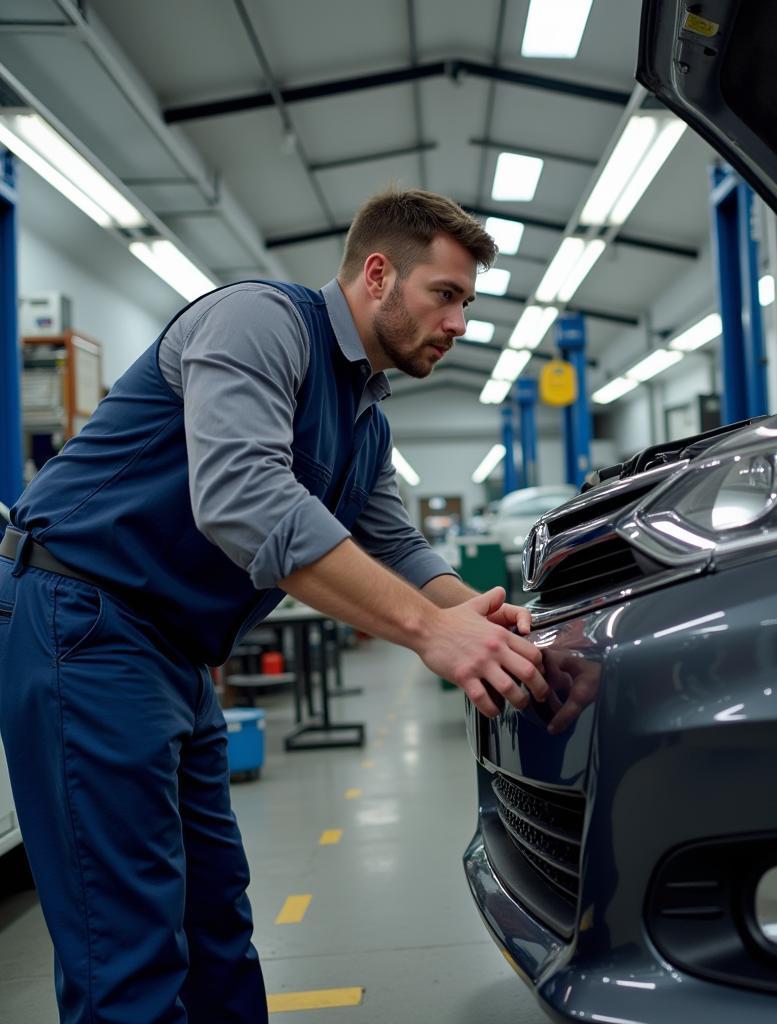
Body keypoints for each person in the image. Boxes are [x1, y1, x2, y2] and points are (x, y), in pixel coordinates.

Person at [0, 186, 548, 1024]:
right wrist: (428, 632)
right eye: (446, 295)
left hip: (176, 655)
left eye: (467, 303)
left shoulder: (365, 419)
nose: (460, 323)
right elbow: (242, 497)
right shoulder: (259, 323)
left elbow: (396, 547)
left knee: (216, 923)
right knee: (128, 952)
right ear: (377, 274)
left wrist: (468, 614)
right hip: (86, 624)